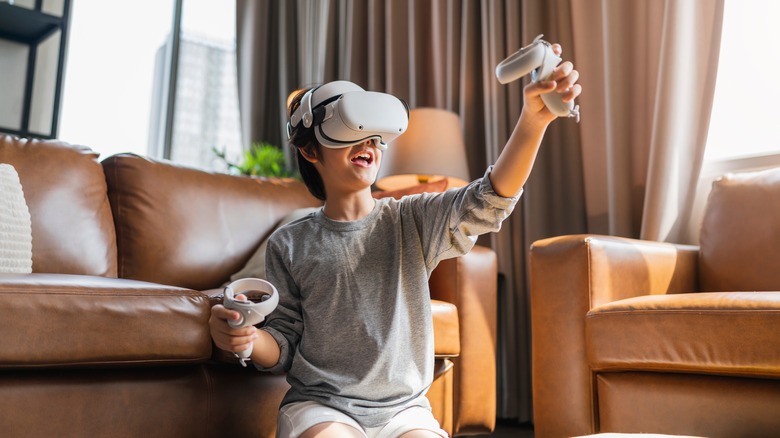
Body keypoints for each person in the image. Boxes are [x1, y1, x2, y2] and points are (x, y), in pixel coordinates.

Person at [210, 44, 581, 438]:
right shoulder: (289, 243)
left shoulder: (411, 219)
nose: (367, 142)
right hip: (321, 407)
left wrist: (533, 121)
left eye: (373, 135)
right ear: (309, 148)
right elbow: (283, 343)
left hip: (405, 411)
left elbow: (489, 199)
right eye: (348, 131)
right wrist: (245, 340)